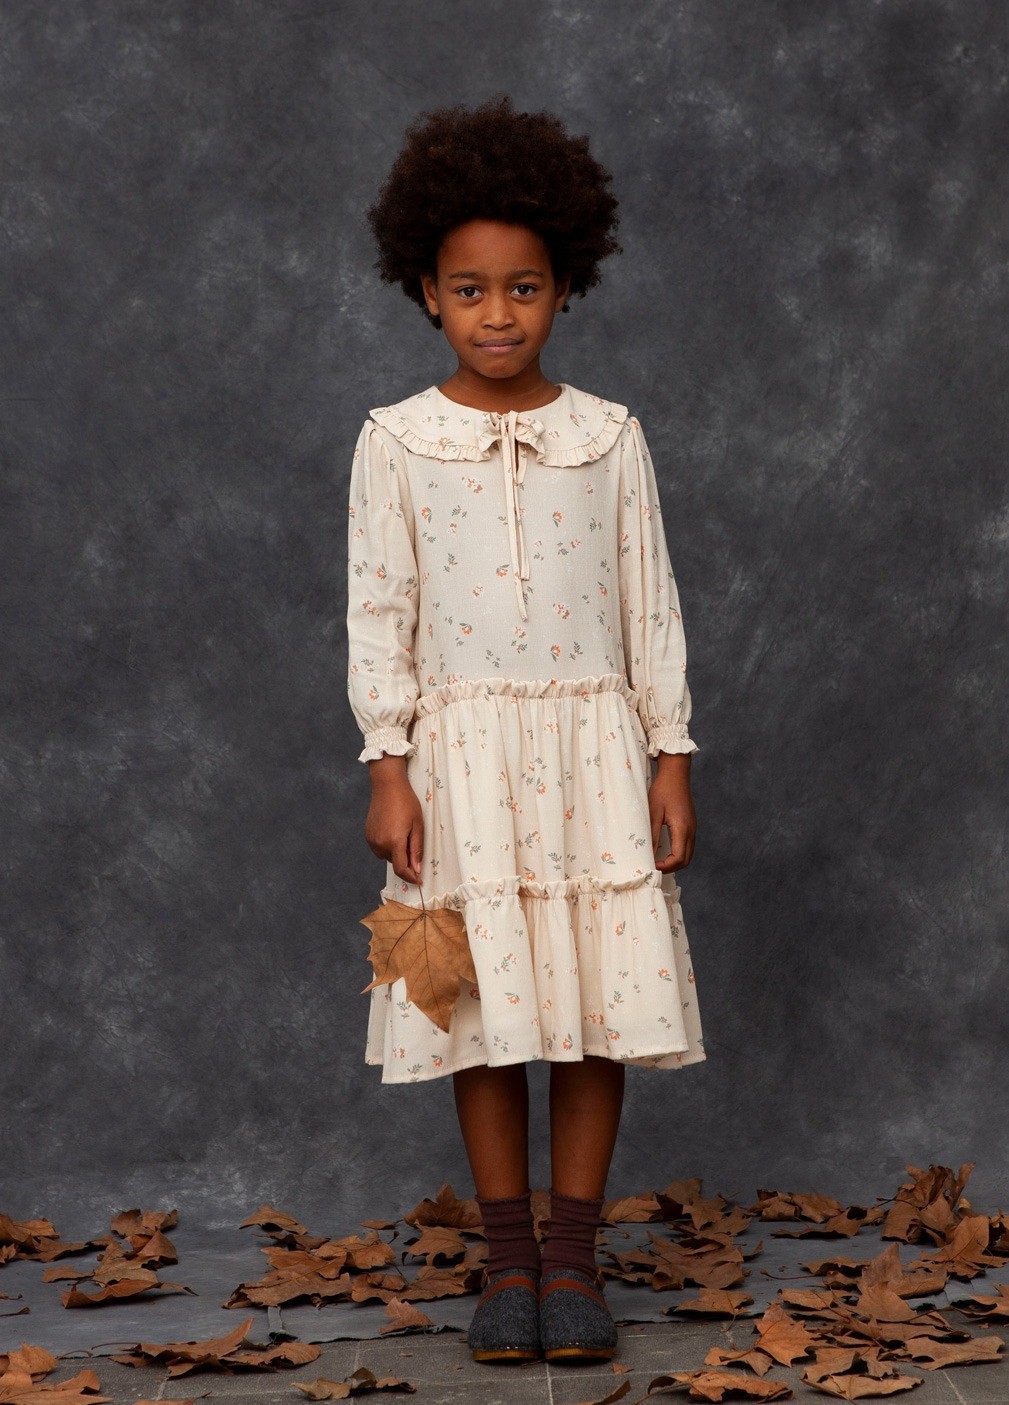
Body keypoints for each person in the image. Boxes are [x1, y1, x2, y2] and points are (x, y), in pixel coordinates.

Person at [346, 94, 706, 1366]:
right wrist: (388, 765)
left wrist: (670, 754)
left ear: (564, 288)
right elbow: (379, 613)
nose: (496, 314)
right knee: (483, 1006)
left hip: (593, 758)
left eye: (523, 288)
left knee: (593, 1011)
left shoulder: (608, 437)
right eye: (469, 290)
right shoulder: (396, 441)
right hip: (461, 770)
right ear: (426, 293)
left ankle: (573, 1260)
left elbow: (649, 600)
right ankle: (507, 1260)